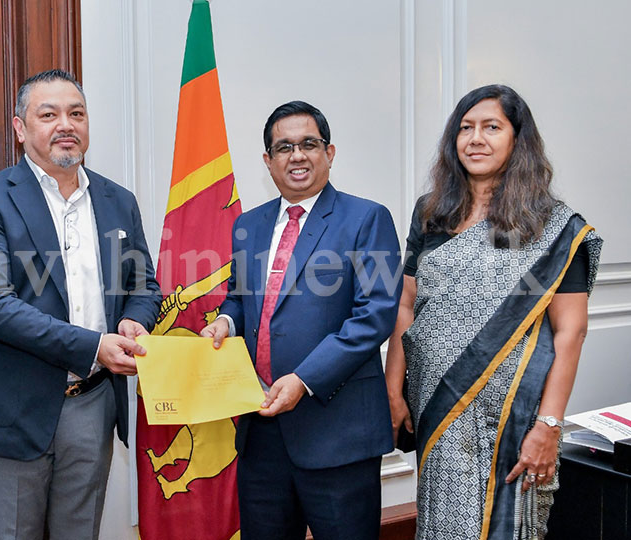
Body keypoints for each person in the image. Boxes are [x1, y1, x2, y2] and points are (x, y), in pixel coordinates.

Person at [384, 84, 603, 540]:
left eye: (491, 127)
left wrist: (549, 425)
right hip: (437, 403)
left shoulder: (553, 226)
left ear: (518, 140)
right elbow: (406, 302)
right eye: (465, 128)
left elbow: (571, 332)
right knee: (442, 521)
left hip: (513, 415)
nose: (475, 139)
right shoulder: (432, 212)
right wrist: (393, 390)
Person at [0, 69, 161, 540]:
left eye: (76, 114)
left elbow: (144, 284)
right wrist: (94, 346)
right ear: (20, 128)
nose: (66, 125)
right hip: (15, 409)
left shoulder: (118, 200)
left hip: (93, 403)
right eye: (48, 114)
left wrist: (133, 320)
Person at [200, 100, 403, 540]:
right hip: (261, 431)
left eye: (309, 144)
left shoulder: (366, 219)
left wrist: (304, 380)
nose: (297, 156)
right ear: (268, 160)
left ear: (329, 153)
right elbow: (239, 299)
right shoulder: (248, 225)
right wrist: (226, 324)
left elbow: (374, 316)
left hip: (337, 431)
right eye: (284, 147)